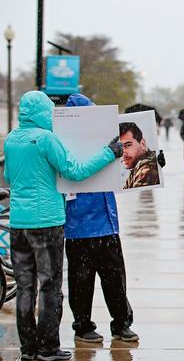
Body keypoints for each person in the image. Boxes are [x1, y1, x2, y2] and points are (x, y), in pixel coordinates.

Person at [4, 91, 123, 361]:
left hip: (18, 223)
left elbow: (9, 176)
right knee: (49, 287)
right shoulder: (47, 139)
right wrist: (109, 152)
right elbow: (76, 171)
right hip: (47, 222)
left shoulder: (11, 139)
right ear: (43, 112)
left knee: (25, 288)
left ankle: (28, 350)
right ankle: (48, 349)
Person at [64, 94, 154, 345]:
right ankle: (83, 325)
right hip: (80, 224)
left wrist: (152, 163)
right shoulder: (65, 144)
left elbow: (126, 171)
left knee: (114, 279)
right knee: (82, 282)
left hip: (106, 223)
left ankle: (121, 323)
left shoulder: (107, 140)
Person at [120, 122, 160, 189]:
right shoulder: (136, 166)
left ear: (142, 144)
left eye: (128, 145)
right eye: (119, 147)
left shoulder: (146, 169)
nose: (123, 153)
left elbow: (141, 197)